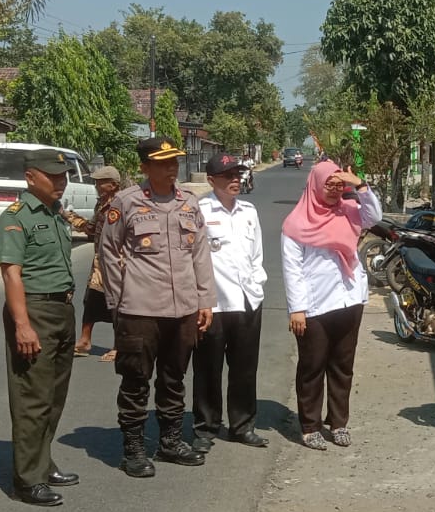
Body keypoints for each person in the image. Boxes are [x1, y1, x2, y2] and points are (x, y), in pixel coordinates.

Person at [98, 136, 215, 478]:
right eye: (163, 163)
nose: (172, 168)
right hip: (140, 310)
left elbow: (200, 253)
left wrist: (205, 299)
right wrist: (118, 301)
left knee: (174, 378)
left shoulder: (189, 203)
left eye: (174, 162)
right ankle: (133, 448)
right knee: (135, 380)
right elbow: (108, 250)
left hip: (183, 311)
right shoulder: (127, 202)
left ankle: (170, 441)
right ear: (144, 167)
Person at [0, 148, 82, 507]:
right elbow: (11, 273)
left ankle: (43, 463)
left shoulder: (56, 213)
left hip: (62, 309)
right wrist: (22, 325)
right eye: (53, 176)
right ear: (31, 177)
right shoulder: (15, 218)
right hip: (35, 311)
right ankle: (27, 479)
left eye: (63, 177)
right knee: (32, 398)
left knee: (54, 398)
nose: (61, 182)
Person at [280, 159, 381, 449]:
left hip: (350, 299)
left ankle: (338, 424)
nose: (335, 190)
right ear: (315, 185)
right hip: (314, 307)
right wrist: (297, 308)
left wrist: (359, 185)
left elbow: (374, 216)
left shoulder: (349, 211)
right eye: (330, 184)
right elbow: (292, 268)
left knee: (343, 366)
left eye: (339, 185)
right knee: (312, 367)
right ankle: (310, 427)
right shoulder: (296, 223)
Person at [193, 152, 269, 448]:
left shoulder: (248, 211)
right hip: (213, 304)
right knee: (207, 369)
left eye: (237, 175)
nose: (235, 180)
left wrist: (257, 284)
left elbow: (257, 254)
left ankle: (242, 425)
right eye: (228, 176)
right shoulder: (200, 210)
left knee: (245, 368)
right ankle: (205, 427)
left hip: (247, 301)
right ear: (212, 181)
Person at [70, 165, 121, 358]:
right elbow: (92, 228)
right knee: (91, 300)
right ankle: (84, 341)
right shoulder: (101, 203)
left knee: (117, 304)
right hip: (99, 262)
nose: (97, 185)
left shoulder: (121, 204)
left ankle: (119, 346)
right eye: (96, 181)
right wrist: (71, 218)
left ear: (113, 185)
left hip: (117, 262)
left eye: (101, 182)